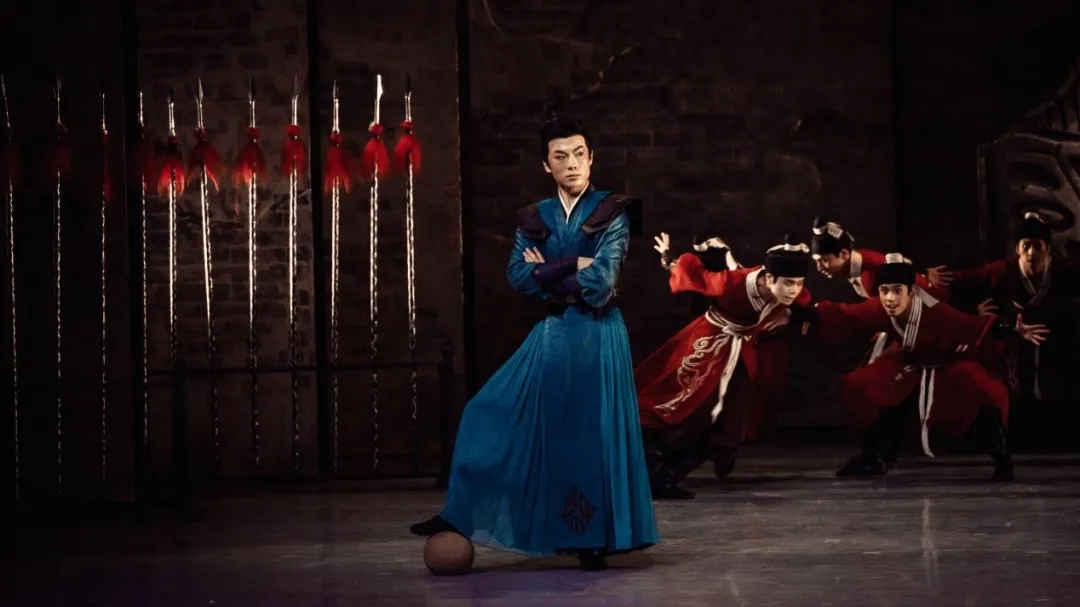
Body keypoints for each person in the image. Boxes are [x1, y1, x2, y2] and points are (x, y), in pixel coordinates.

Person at [408, 107, 658, 572]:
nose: (572, 163)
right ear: (546, 165)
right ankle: (461, 510)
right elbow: (518, 277)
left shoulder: (614, 212)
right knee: (486, 411)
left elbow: (603, 281)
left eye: (579, 154)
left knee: (587, 435)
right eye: (560, 156)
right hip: (553, 332)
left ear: (592, 157)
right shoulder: (535, 217)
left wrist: (548, 270)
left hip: (597, 334)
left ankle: (591, 540)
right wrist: (571, 264)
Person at [806, 253, 1049, 480]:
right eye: (884, 291)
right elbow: (846, 313)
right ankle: (874, 456)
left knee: (982, 389)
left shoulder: (935, 311)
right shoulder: (879, 307)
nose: (890, 298)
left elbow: (971, 326)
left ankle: (1001, 459)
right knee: (860, 385)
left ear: (911, 292)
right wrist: (803, 314)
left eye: (897, 291)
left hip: (946, 364)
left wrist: (1011, 327)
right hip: (909, 362)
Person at [636, 233, 814, 499]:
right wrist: (668, 257)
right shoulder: (731, 284)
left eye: (798, 283)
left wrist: (794, 315)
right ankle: (652, 466)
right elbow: (692, 276)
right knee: (680, 404)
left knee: (732, 423)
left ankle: (670, 474)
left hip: (740, 351)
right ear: (769, 278)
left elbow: (804, 302)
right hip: (709, 340)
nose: (793, 290)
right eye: (788, 284)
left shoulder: (791, 292)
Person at [926, 211, 1080, 449]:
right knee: (1012, 386)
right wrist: (934, 279)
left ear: (1047, 249)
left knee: (1057, 388)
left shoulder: (1062, 271)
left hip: (1054, 339)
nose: (1031, 253)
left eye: (1037, 246)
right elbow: (961, 281)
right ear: (1017, 249)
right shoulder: (1002, 271)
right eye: (1026, 246)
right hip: (1012, 337)